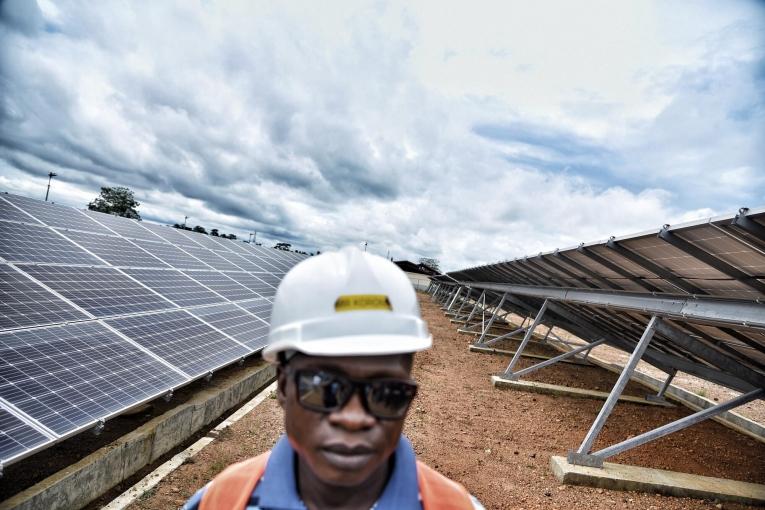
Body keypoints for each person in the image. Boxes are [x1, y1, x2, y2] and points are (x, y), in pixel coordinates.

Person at [183, 247, 483, 509]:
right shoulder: (222, 501)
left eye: (387, 393)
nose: (354, 418)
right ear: (284, 387)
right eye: (324, 388)